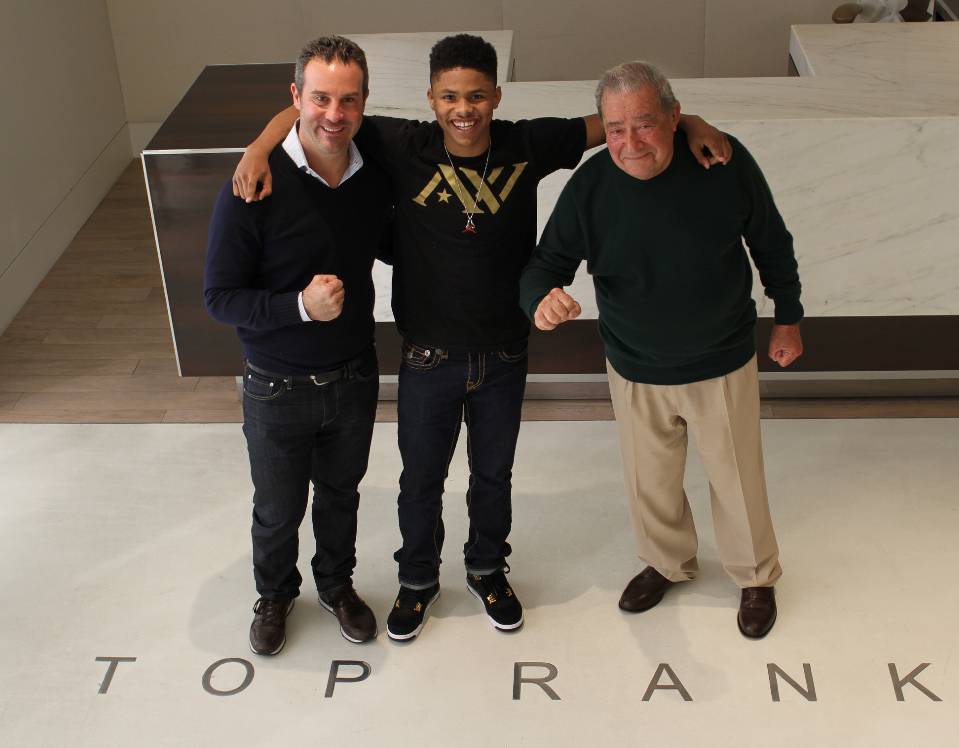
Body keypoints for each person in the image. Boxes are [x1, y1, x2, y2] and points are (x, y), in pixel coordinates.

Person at [231, 34, 733, 642]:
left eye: (475, 95)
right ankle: (417, 580)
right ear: (431, 98)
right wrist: (259, 148)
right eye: (449, 96)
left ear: (496, 95)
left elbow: (620, 120)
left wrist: (691, 122)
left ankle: (487, 570)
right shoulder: (401, 143)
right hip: (427, 357)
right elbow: (316, 110)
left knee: (493, 478)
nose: (462, 108)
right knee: (421, 482)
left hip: (504, 355)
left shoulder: (527, 144)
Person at [518, 61, 804, 639]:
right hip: (634, 365)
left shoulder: (722, 162)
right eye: (615, 129)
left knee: (738, 480)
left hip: (721, 358)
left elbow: (771, 242)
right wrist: (539, 300)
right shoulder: (591, 187)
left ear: (675, 117)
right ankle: (667, 563)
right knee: (650, 481)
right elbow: (545, 263)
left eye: (644, 124)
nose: (630, 143)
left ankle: (754, 575)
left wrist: (788, 318)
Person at [204, 36, 393, 654]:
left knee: (341, 497)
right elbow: (219, 297)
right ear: (296, 97)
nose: (334, 114)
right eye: (320, 98)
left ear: (365, 101)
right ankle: (275, 594)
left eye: (348, 100)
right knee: (278, 509)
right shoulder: (252, 185)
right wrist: (299, 307)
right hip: (275, 386)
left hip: (354, 377)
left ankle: (336, 586)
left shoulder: (373, 169)